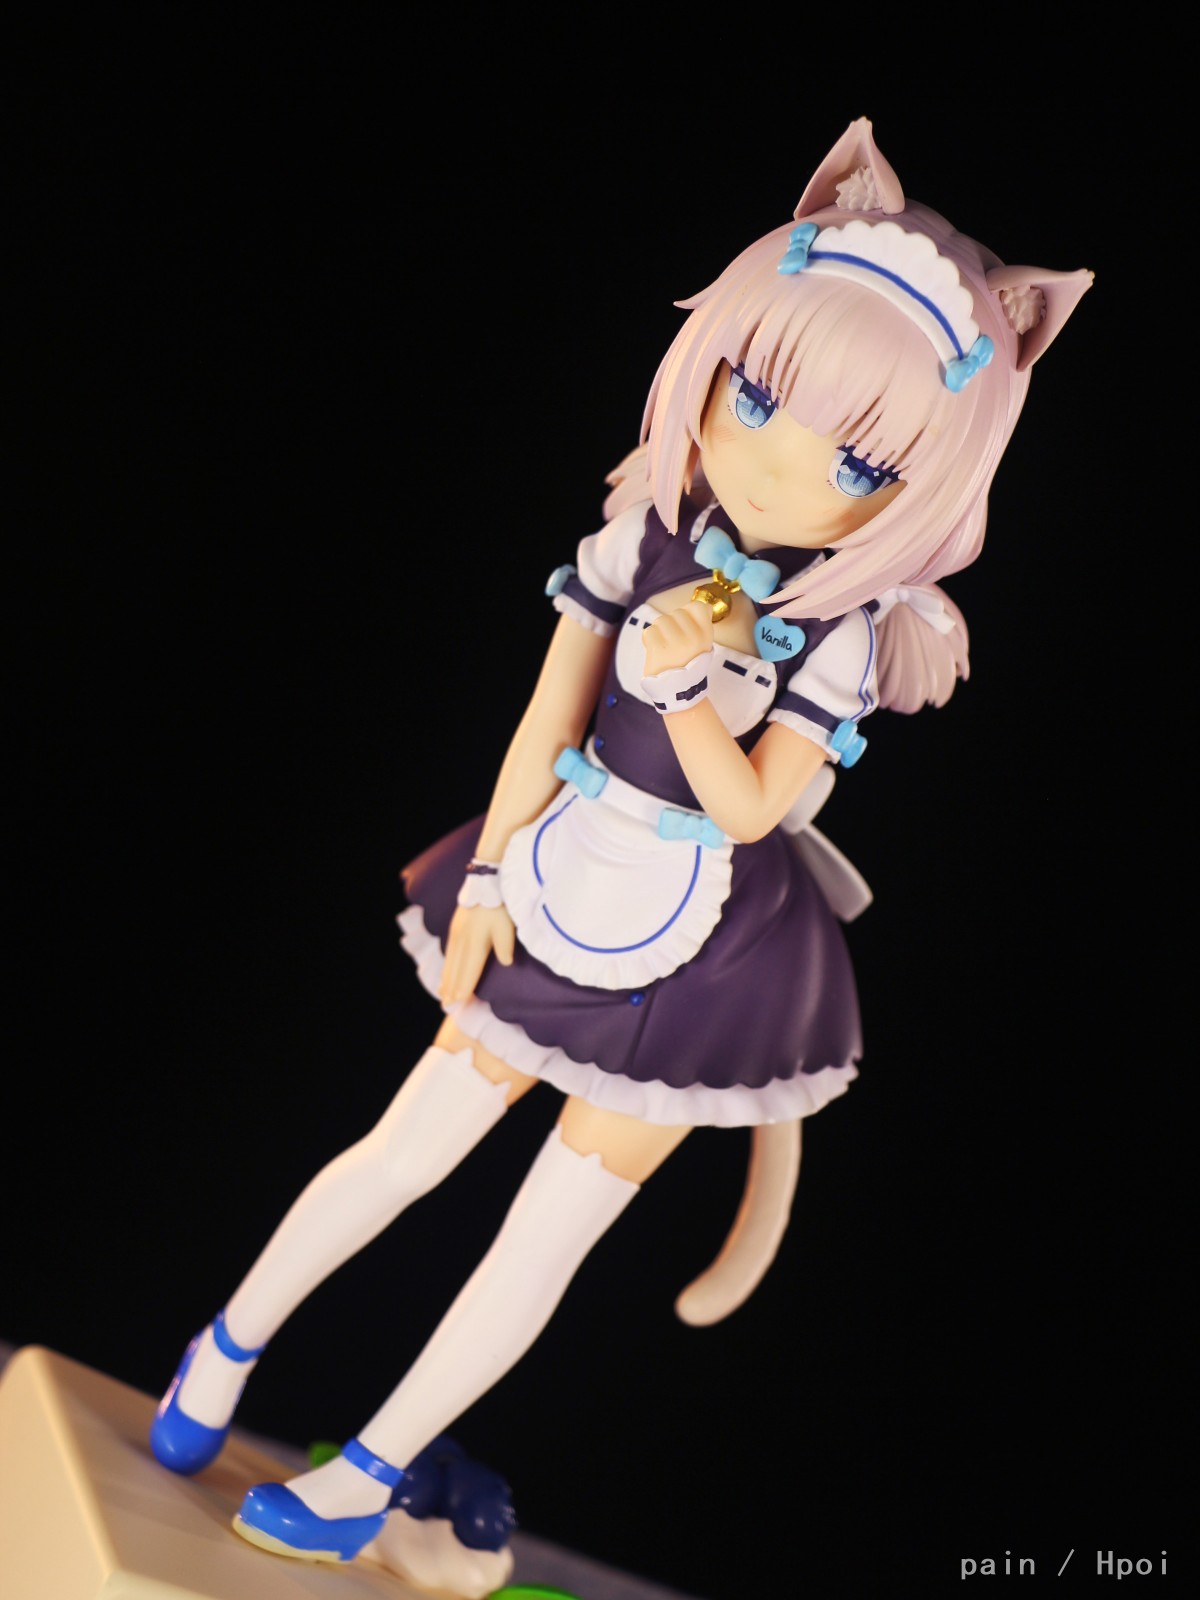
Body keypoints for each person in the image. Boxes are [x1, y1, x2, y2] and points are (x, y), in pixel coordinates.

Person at [149, 116, 1093, 1581]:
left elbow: (754, 810)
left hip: (713, 960)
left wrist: (691, 691)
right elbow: (545, 717)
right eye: (758, 392)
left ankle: (369, 1473)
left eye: (857, 455)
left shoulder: (849, 632)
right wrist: (485, 871)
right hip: (558, 875)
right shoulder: (646, 529)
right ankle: (224, 1347)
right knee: (404, 1148)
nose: (777, 463)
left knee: (542, 1237)